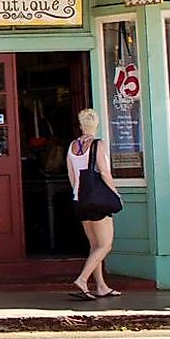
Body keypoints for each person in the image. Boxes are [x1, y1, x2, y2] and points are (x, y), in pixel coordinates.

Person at [64, 107, 124, 301]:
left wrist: (77, 193)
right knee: (105, 245)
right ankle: (82, 279)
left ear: (81, 125)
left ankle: (101, 285)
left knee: (94, 245)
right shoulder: (99, 144)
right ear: (96, 125)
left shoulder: (72, 146)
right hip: (97, 200)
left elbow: (72, 175)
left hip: (79, 199)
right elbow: (105, 172)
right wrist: (115, 193)